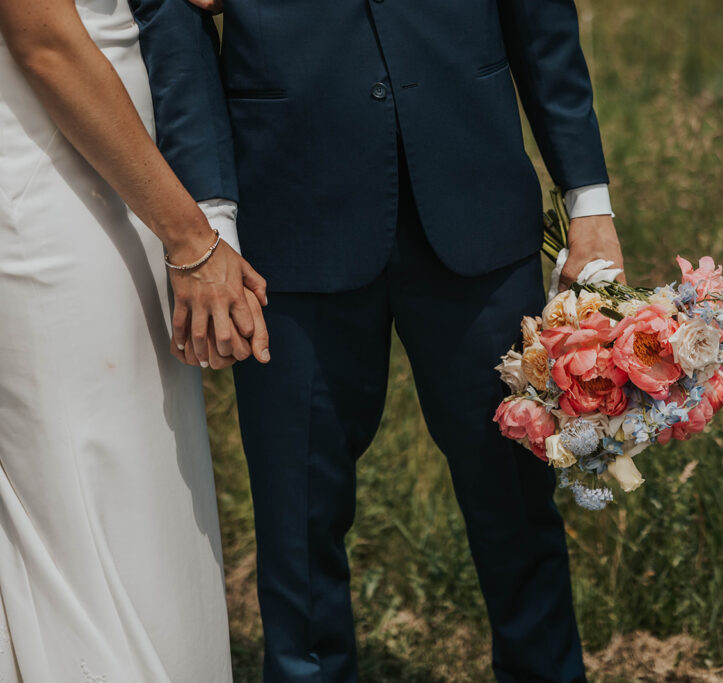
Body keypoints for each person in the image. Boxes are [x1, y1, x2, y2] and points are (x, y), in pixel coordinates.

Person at [133, 0, 625, 680]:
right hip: (287, 214)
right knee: (297, 521)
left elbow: (538, 15)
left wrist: (589, 202)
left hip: (476, 199)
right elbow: (173, 19)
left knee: (515, 502)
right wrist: (211, 214)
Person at [0, 0, 271, 679]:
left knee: (143, 493)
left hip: (119, 171)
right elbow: (45, 44)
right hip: (52, 179)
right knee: (87, 497)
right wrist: (189, 238)